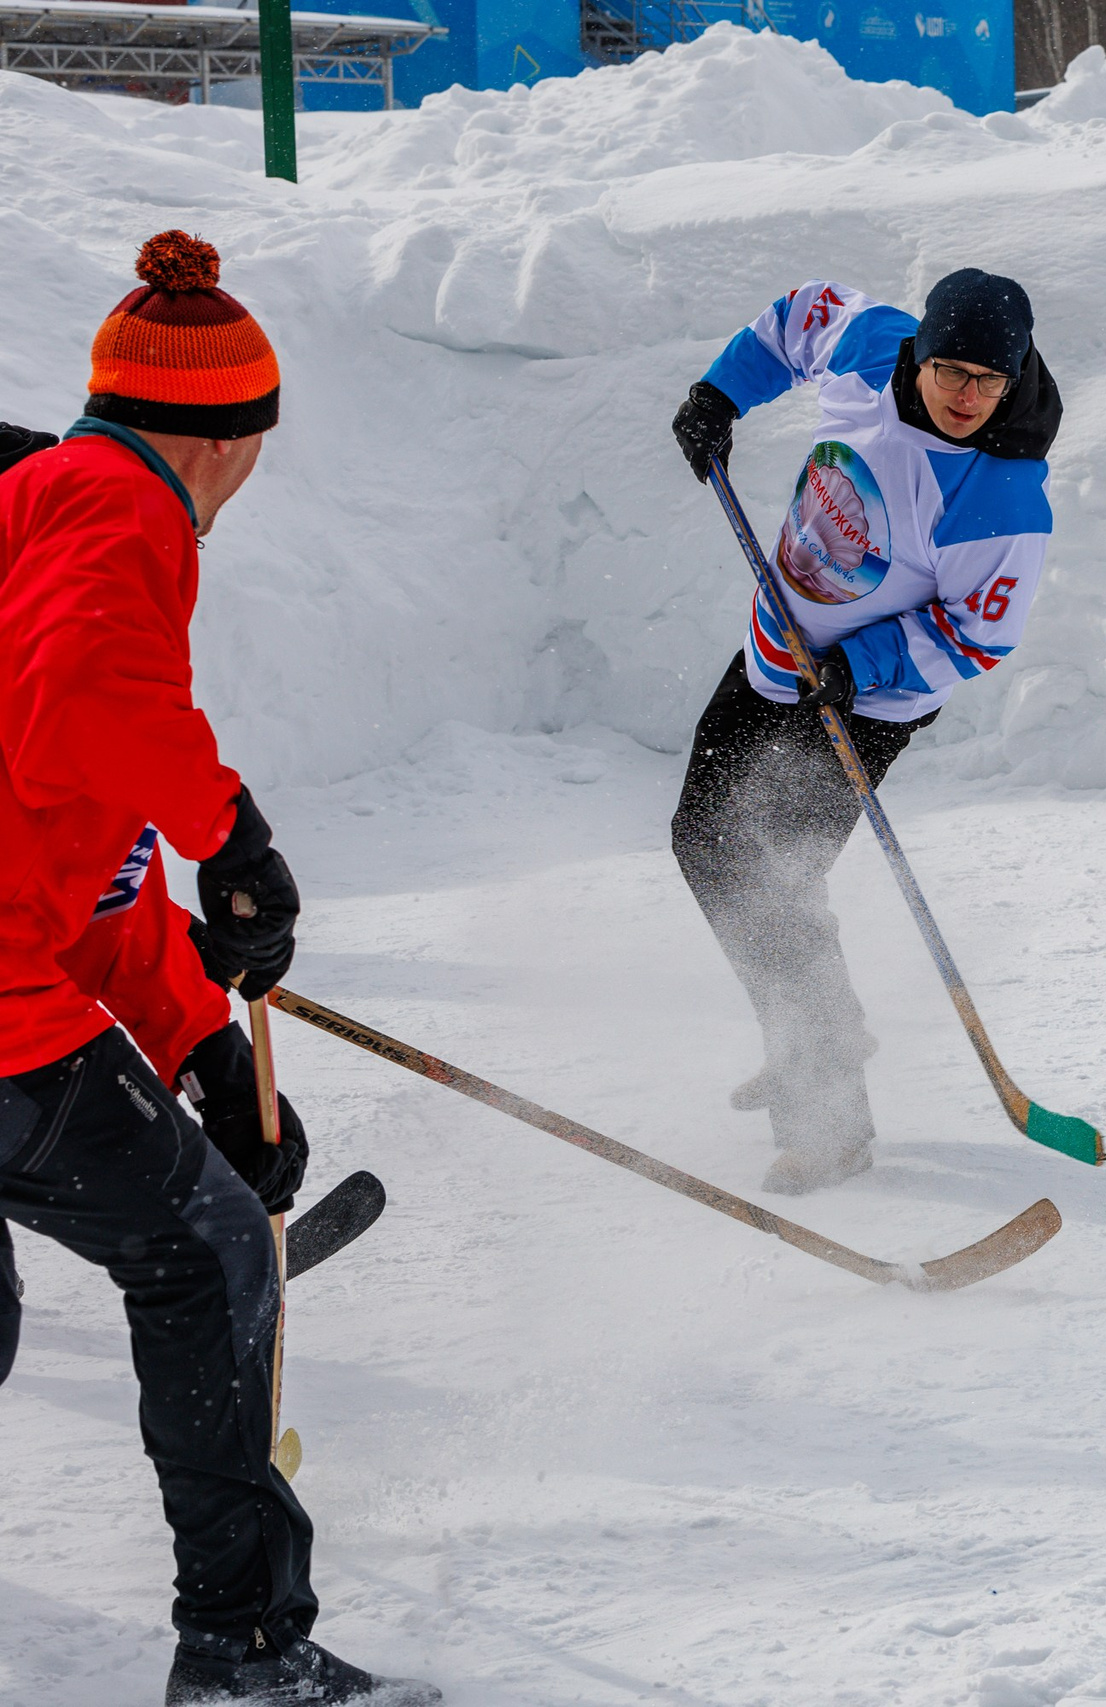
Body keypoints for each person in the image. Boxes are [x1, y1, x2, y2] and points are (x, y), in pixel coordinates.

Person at [0, 233, 438, 1707]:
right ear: (228, 436)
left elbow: (75, 843)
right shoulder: (123, 506)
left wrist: (193, 1036)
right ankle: (246, 1651)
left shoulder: (42, 503)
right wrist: (232, 835)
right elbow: (84, 711)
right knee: (208, 1249)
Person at [667, 268, 1062, 1193]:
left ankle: (829, 1112)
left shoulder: (1001, 500)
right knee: (702, 841)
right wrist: (719, 395)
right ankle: (817, 1023)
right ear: (916, 352)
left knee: (772, 875)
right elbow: (788, 324)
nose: (968, 397)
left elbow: (976, 637)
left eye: (989, 381)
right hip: (775, 648)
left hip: (864, 700)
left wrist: (860, 669)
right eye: (951, 371)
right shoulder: (867, 345)